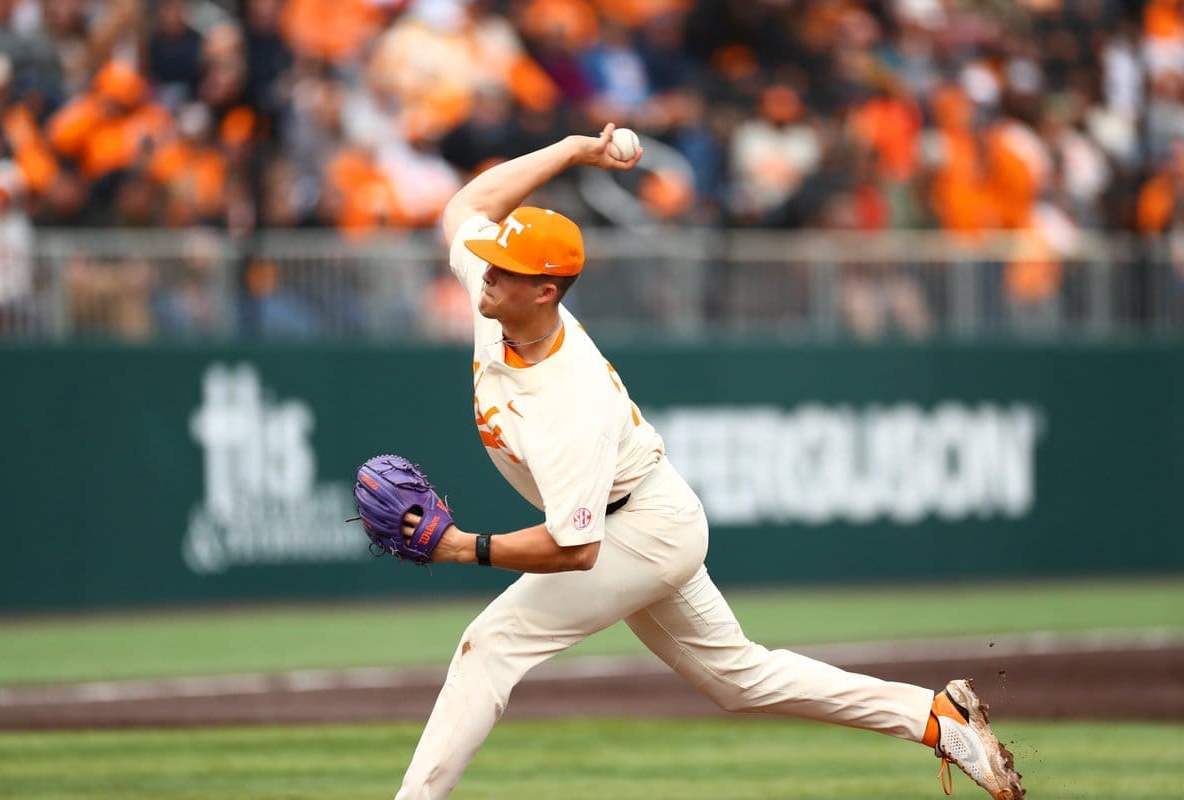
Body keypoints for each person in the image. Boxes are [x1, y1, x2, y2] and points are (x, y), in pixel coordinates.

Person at [391, 123, 1025, 800]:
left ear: (545, 291)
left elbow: (575, 549)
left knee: (489, 646)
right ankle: (935, 718)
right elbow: (468, 206)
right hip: (649, 513)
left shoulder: (570, 399)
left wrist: (463, 548)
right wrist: (573, 150)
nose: (483, 273)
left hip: (636, 529)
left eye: (504, 271)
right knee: (739, 680)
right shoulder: (497, 302)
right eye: (488, 262)